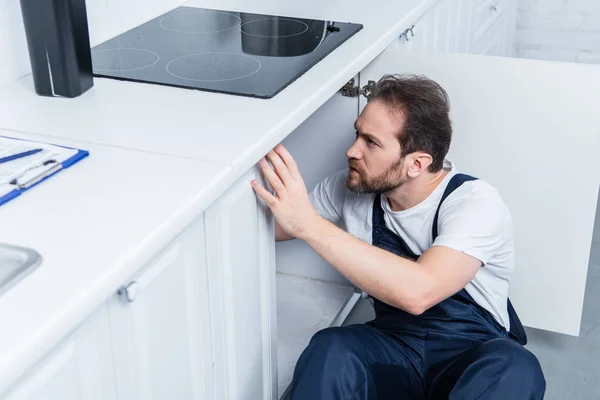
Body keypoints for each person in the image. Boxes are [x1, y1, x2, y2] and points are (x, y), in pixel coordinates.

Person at [251, 74, 546, 400]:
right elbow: (272, 227)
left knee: (515, 367)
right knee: (332, 348)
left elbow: (419, 292)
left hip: (470, 356)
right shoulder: (351, 186)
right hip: (395, 349)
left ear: (417, 164)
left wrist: (308, 224)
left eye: (371, 142)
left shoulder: (474, 203)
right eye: (357, 134)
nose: (352, 150)